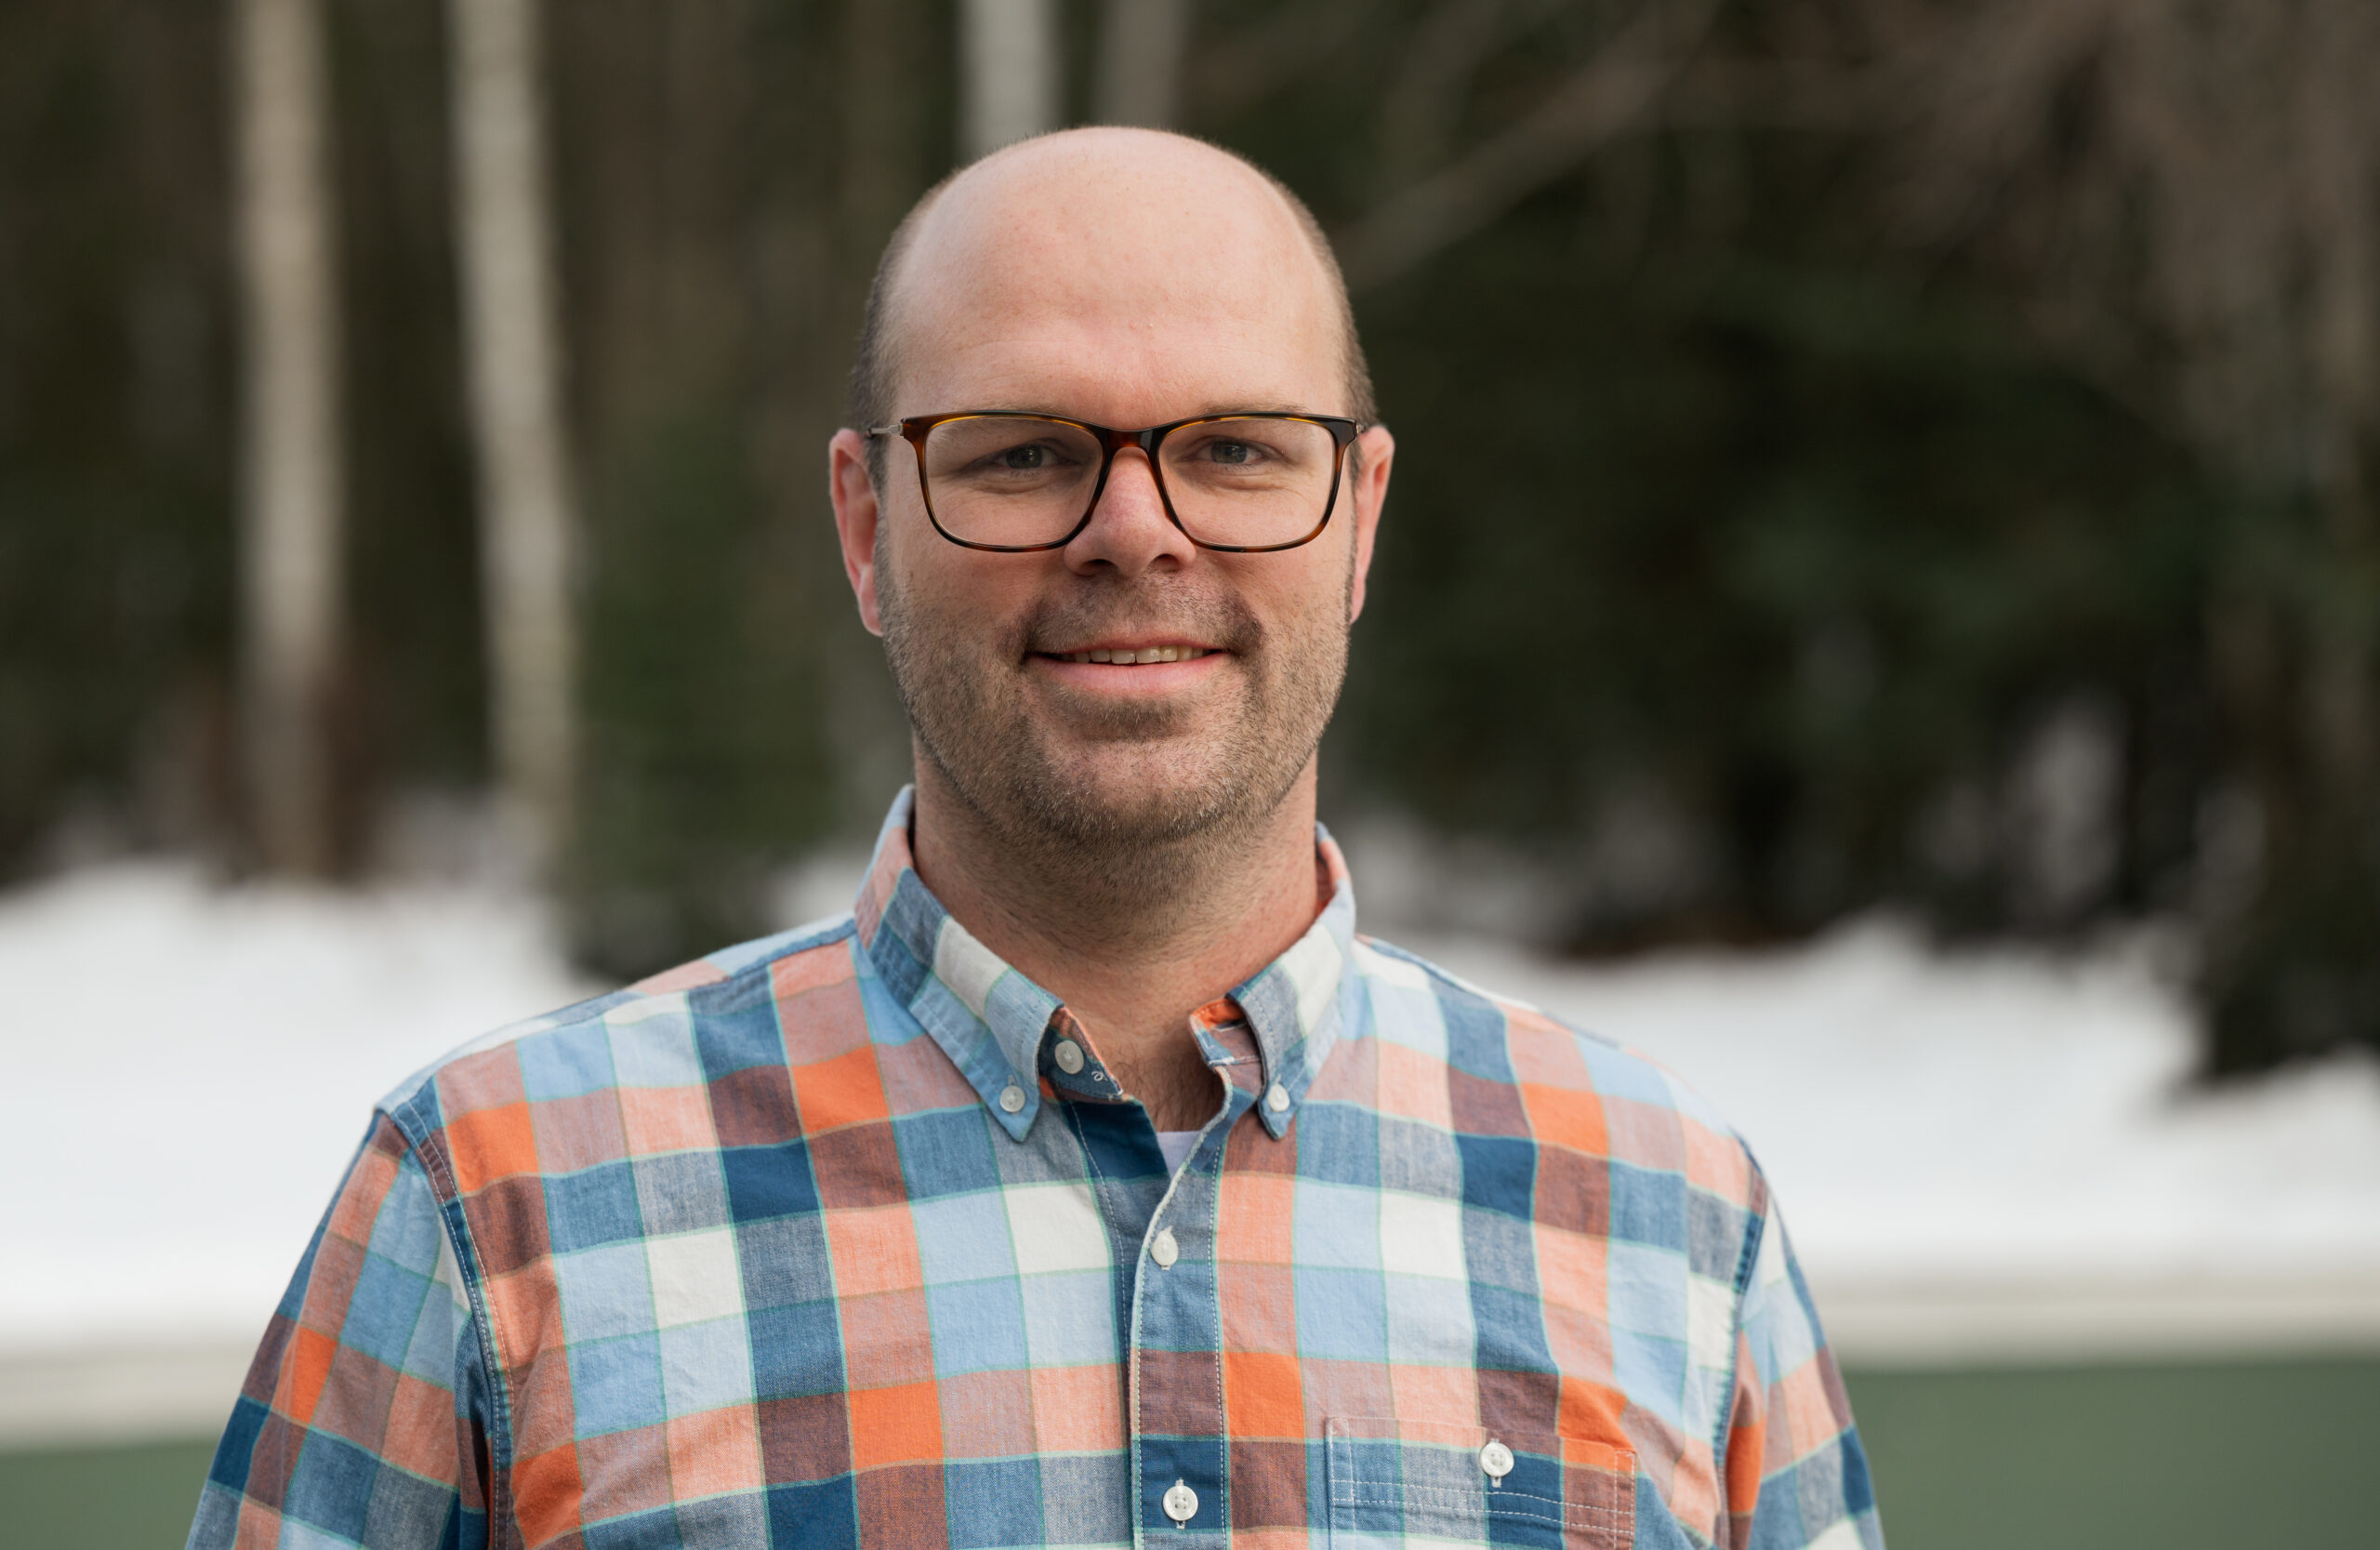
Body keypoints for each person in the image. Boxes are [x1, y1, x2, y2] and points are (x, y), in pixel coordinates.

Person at [191, 127, 1877, 1550]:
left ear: (1357, 521)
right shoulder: (495, 1210)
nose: (1136, 533)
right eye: (1023, 455)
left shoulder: (1666, 1218)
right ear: (866, 528)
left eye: (1232, 449)